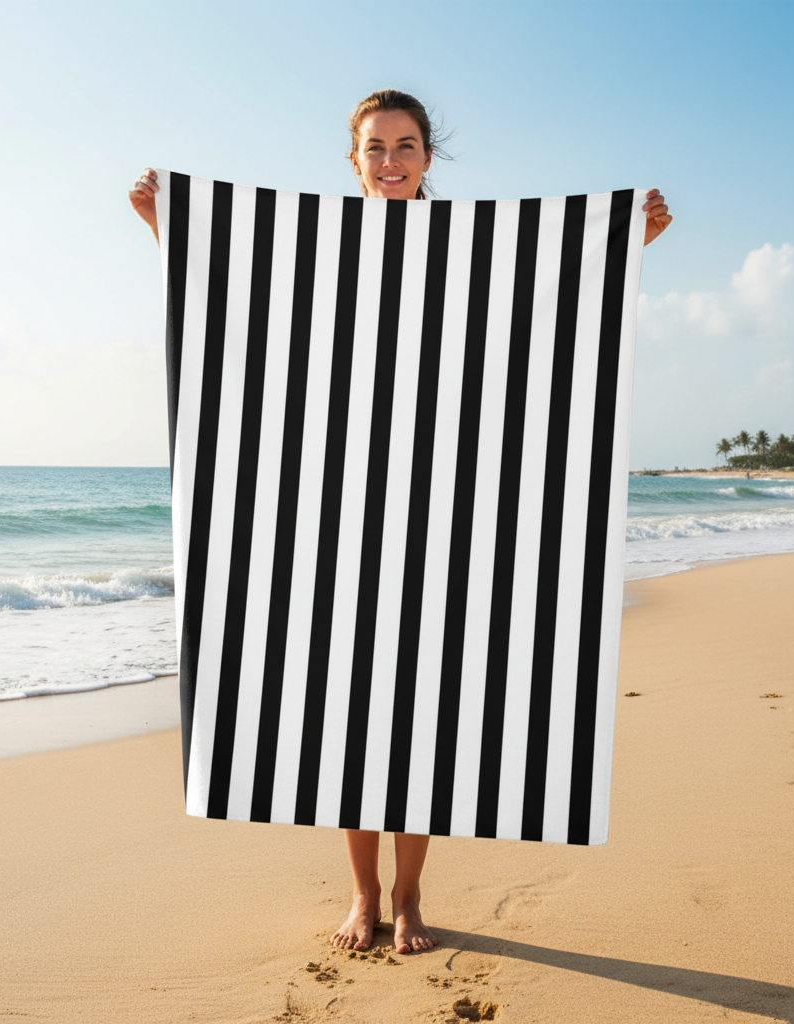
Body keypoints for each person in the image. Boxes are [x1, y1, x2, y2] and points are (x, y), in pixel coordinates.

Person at [128, 89, 672, 957]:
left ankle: (412, 900)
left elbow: (550, 315)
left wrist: (629, 245)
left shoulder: (477, 252)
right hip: (338, 514)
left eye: (407, 145)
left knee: (424, 713)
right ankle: (361, 897)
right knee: (347, 711)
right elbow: (237, 313)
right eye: (375, 146)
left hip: (446, 513)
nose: (391, 159)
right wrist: (169, 227)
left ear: (428, 157)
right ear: (353, 160)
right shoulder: (314, 251)